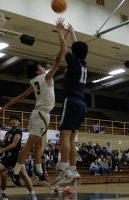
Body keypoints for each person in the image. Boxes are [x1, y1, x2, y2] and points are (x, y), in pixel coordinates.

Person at [4, 18, 66, 186]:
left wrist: (7, 106)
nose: (45, 67)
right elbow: (59, 59)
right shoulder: (46, 77)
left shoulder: (34, 81)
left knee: (38, 144)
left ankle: (39, 172)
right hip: (42, 114)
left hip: (36, 113)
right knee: (31, 144)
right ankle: (16, 172)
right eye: (42, 66)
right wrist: (61, 36)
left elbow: (22, 96)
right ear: (39, 69)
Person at [53, 20, 89, 186]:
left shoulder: (74, 62)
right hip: (82, 103)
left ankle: (66, 168)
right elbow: (77, 47)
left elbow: (64, 47)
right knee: (72, 139)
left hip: (72, 100)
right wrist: (73, 33)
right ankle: (73, 169)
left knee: (64, 137)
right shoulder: (83, 64)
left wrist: (60, 31)